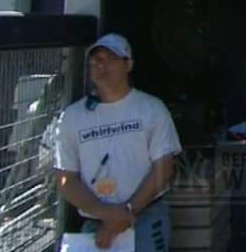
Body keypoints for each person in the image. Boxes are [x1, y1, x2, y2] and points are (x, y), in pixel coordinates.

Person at [53, 33, 182, 252]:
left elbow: (163, 168)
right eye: (96, 61)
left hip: (146, 218)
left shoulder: (151, 108)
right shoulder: (72, 117)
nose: (102, 66)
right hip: (95, 226)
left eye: (110, 59)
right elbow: (66, 178)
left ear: (127, 65)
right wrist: (104, 213)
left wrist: (128, 212)